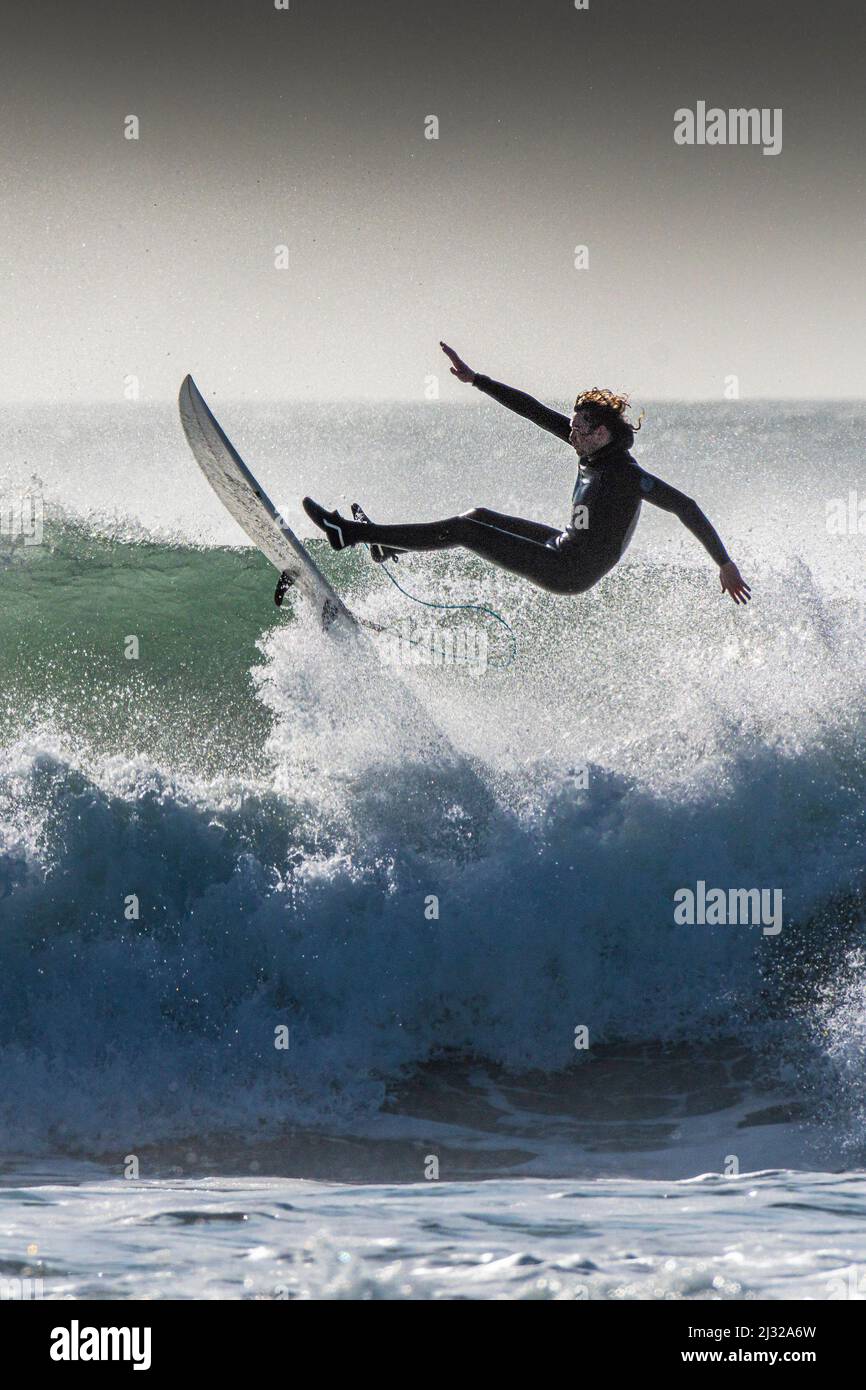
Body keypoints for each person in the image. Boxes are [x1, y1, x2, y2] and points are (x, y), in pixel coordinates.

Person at [302, 342, 751, 604]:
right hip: (562, 544)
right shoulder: (589, 449)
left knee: (464, 530)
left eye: (578, 427)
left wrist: (724, 563)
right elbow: (532, 410)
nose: (570, 433)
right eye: (572, 425)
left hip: (571, 571)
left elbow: (685, 506)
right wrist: (476, 380)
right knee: (475, 514)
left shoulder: (625, 474)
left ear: (602, 432)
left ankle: (351, 535)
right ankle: (384, 541)